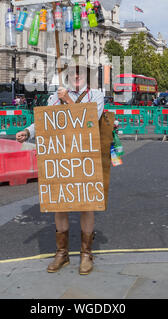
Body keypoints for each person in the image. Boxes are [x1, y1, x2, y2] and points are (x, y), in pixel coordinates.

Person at [16, 55, 104, 275]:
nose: (76, 75)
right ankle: (62, 253)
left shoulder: (97, 95)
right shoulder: (54, 98)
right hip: (61, 156)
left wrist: (68, 101)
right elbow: (44, 121)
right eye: (72, 71)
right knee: (59, 202)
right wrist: (28, 132)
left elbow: (89, 122)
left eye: (80, 71)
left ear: (87, 74)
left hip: (85, 156)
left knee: (86, 204)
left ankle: (86, 254)